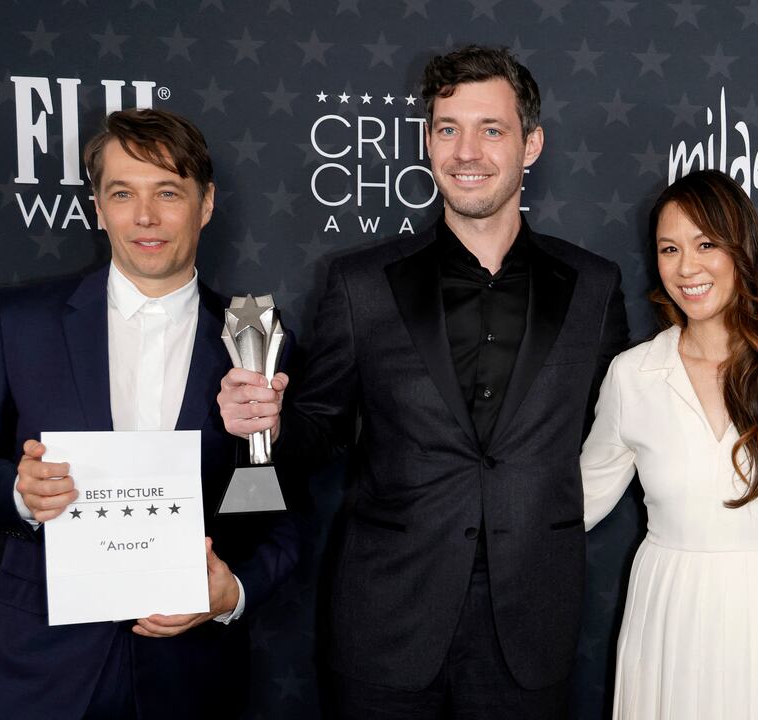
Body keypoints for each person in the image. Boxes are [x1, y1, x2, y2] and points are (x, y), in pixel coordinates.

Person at [217, 45, 628, 718]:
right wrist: (267, 422)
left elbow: (618, 426)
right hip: (385, 622)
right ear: (427, 141)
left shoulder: (593, 286)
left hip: (530, 626)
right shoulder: (361, 284)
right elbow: (316, 431)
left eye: (491, 129)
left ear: (532, 144)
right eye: (447, 128)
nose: (467, 150)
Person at [0, 108, 302, 720]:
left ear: (205, 205)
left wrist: (235, 592)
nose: (145, 217)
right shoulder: (17, 321)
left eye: (168, 192)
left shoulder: (256, 334)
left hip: (191, 676)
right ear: (98, 207)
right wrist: (18, 492)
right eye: (123, 193)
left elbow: (280, 509)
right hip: (39, 670)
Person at [580, 169, 758, 718]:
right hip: (667, 605)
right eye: (669, 248)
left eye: (706, 244)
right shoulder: (634, 374)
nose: (687, 267)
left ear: (744, 249)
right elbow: (575, 502)